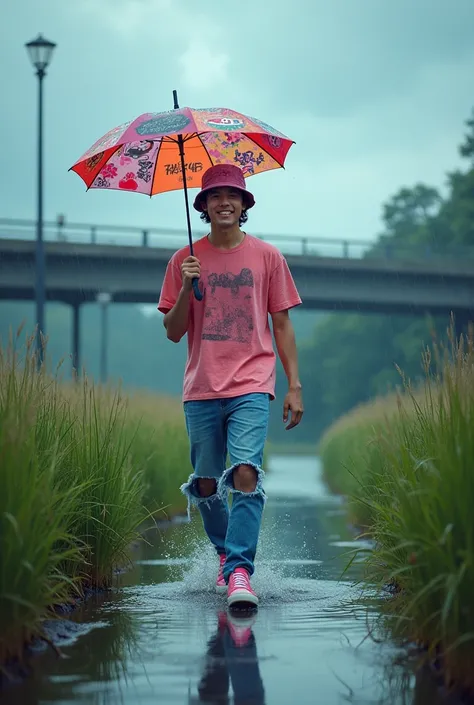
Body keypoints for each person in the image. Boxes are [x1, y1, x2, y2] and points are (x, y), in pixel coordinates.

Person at [158, 163, 303, 608]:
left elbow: (281, 324)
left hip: (252, 385)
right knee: (205, 485)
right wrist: (186, 287)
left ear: (243, 205)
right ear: (202, 206)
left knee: (245, 472)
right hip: (201, 387)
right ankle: (224, 553)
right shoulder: (184, 260)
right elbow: (172, 330)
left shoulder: (267, 256)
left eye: (233, 195)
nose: (225, 201)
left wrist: (294, 384)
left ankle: (240, 571)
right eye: (215, 195)